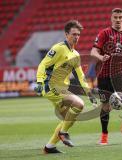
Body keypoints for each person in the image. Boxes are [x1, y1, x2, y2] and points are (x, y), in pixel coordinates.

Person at [35, 20, 96, 154]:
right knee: (78, 104)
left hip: (61, 88)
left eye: (78, 34)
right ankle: (63, 133)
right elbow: (43, 64)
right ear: (66, 34)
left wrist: (89, 93)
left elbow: (81, 77)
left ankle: (49, 147)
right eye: (73, 34)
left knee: (68, 119)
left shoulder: (76, 54)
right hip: (50, 86)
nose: (76, 37)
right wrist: (39, 82)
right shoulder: (58, 48)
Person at [90, 8, 122, 145]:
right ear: (111, 19)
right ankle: (104, 136)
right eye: (115, 17)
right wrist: (101, 56)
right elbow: (93, 51)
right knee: (106, 107)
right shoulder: (104, 33)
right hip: (104, 75)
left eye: (120, 17)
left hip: (120, 73)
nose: (118, 20)